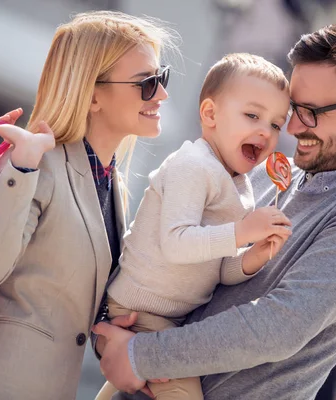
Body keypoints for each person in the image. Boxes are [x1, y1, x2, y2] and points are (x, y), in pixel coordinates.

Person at [94, 21, 336, 400]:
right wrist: (114, 327)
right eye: (294, 108)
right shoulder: (267, 171)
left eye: (311, 111)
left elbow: (276, 327)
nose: (292, 127)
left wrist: (139, 354)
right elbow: (174, 255)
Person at [0, 10, 177, 400]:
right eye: (147, 83)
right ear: (93, 95)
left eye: (162, 78)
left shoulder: (112, 182)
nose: (162, 94)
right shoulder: (37, 162)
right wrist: (22, 167)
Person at [95, 53, 293, 400]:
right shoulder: (193, 165)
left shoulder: (240, 187)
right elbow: (178, 243)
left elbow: (216, 268)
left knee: (123, 387)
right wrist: (243, 231)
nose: (265, 131)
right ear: (210, 114)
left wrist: (253, 256)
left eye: (276, 124)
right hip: (141, 311)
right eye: (252, 115)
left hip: (169, 318)